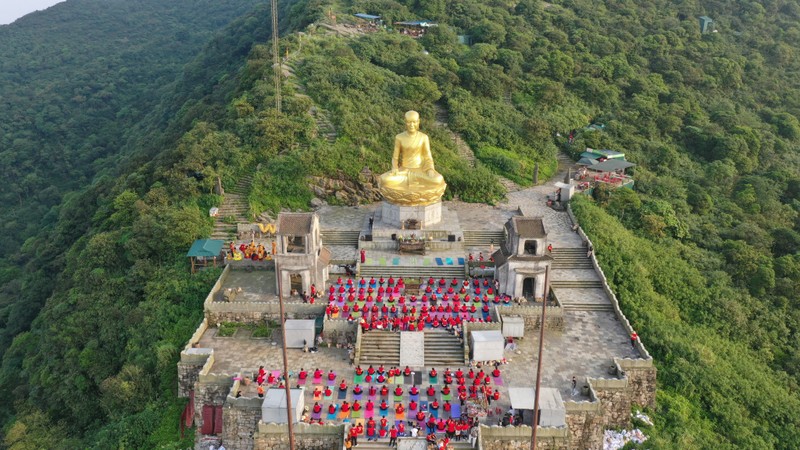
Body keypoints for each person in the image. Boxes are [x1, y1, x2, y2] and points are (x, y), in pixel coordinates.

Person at [378, 110, 446, 205]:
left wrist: (430, 169)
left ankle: (416, 177)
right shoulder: (399, 137)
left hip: (421, 171)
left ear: (418, 122)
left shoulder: (423, 137)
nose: (411, 125)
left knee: (438, 180)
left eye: (414, 122)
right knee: (384, 179)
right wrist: (395, 168)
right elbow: (395, 158)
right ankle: (413, 178)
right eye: (409, 122)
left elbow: (428, 157)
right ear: (405, 122)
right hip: (404, 172)